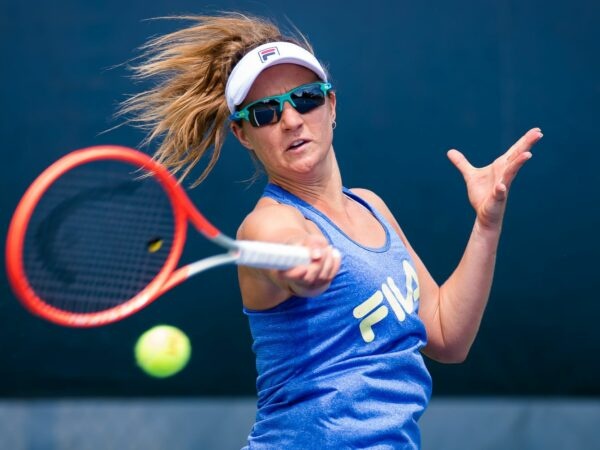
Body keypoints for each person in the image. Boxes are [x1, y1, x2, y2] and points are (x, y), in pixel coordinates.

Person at [120, 13, 542, 449]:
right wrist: (302, 260)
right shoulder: (267, 224)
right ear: (243, 134)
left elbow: (447, 336)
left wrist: (486, 225)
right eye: (264, 113)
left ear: (331, 105)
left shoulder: (372, 206)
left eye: (305, 99)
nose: (290, 120)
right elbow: (282, 244)